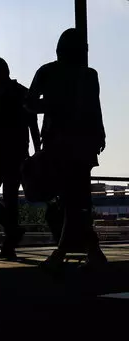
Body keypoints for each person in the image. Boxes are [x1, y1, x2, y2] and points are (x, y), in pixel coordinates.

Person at [25, 28, 107, 270]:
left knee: (68, 199)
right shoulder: (89, 75)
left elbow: (29, 103)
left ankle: (67, 250)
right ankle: (85, 249)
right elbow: (95, 108)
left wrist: (50, 105)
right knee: (77, 199)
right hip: (82, 144)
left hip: (57, 142)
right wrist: (99, 135)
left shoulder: (47, 71)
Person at [0, 57, 41, 259]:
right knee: (9, 198)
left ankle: (11, 236)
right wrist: (37, 150)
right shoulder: (21, 92)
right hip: (15, 153)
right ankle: (10, 238)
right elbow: (33, 124)